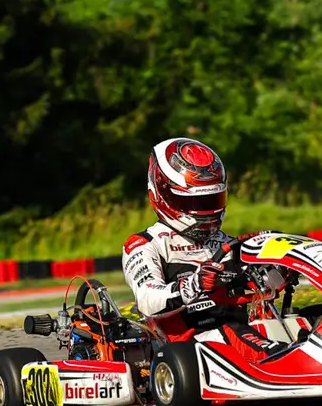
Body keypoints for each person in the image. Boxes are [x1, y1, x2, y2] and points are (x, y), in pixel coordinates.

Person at [122, 137, 291, 348]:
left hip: (240, 335)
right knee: (235, 334)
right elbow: (148, 300)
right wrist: (195, 284)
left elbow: (258, 285)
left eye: (212, 201)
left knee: (312, 319)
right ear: (162, 196)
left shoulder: (226, 243)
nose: (207, 212)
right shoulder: (145, 245)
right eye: (196, 203)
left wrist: (278, 271)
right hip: (188, 345)